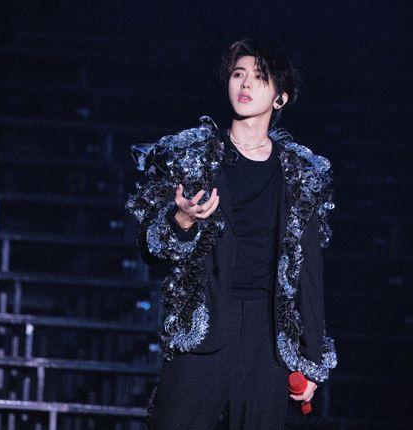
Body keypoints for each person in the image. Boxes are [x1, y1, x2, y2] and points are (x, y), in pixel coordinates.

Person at [126, 38, 337, 430]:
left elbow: (309, 269)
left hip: (268, 340)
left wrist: (310, 360)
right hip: (203, 325)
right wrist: (182, 219)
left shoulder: (302, 174)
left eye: (260, 77)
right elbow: (149, 247)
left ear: (280, 97)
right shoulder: (194, 157)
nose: (246, 84)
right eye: (239, 74)